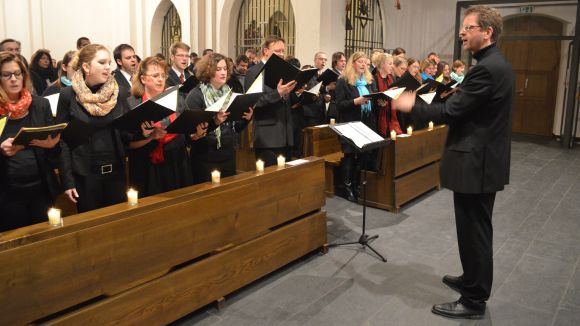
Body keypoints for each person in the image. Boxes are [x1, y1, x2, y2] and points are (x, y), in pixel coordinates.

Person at [395, 5, 513, 319]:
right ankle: (471, 279)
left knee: (474, 231)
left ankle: (474, 300)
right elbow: (471, 107)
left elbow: (450, 113)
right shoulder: (494, 63)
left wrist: (412, 105)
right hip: (483, 160)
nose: (462, 32)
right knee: (474, 228)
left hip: (477, 162)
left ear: (487, 32)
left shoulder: (487, 69)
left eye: (469, 27)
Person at [56, 44, 129, 213]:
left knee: (118, 224)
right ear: (86, 67)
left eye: (109, 63)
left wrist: (143, 131)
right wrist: (67, 181)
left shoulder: (119, 93)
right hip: (85, 175)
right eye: (102, 62)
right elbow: (63, 140)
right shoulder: (69, 95)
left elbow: (125, 131)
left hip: (116, 172)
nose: (107, 67)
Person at [0, 52, 62, 231]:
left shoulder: (39, 104)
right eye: (7, 74)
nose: (14, 79)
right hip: (7, 193)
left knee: (45, 238)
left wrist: (52, 144)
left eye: (18, 73)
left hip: (41, 188)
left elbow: (54, 144)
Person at [126, 56, 192, 196]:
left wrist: (195, 134)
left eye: (163, 75)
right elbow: (128, 143)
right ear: (143, 79)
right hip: (147, 167)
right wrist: (151, 137)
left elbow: (186, 133)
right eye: (155, 75)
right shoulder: (132, 104)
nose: (161, 79)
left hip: (177, 161)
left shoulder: (177, 99)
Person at [185, 53, 252, 184]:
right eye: (218, 69)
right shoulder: (196, 95)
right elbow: (191, 132)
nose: (223, 72)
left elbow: (235, 128)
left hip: (227, 153)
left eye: (225, 69)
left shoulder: (229, 93)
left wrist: (246, 119)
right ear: (208, 71)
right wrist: (214, 121)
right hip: (205, 156)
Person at [243, 35, 297, 167]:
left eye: (283, 51)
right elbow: (253, 103)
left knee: (287, 181)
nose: (282, 54)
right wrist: (277, 93)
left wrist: (295, 91)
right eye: (278, 51)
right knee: (270, 182)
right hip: (267, 136)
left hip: (286, 134)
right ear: (266, 51)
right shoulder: (253, 72)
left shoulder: (284, 71)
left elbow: (287, 101)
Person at [334, 51, 377, 202]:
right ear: (353, 63)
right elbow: (338, 105)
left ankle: (356, 183)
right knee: (350, 156)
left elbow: (373, 98)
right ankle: (347, 186)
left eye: (365, 62)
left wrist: (380, 101)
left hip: (366, 123)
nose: (363, 64)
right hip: (349, 123)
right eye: (360, 62)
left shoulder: (369, 81)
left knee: (365, 155)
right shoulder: (343, 81)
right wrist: (354, 102)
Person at [374, 53, 402, 136]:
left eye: (393, 64)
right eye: (390, 64)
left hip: (391, 115)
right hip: (379, 116)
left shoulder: (391, 78)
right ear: (382, 65)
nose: (392, 66)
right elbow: (374, 98)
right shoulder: (374, 79)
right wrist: (387, 93)